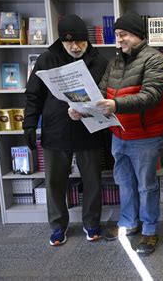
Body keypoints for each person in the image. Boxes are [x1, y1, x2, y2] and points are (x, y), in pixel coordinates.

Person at [69, 11, 163, 255]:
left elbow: (151, 96)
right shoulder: (114, 62)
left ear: (137, 34)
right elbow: (101, 93)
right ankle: (129, 223)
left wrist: (116, 105)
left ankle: (149, 230)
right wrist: (82, 110)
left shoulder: (156, 60)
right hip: (119, 134)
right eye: (116, 35)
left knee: (146, 186)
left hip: (145, 136)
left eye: (123, 34)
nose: (119, 40)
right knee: (124, 182)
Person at [23, 14, 108, 246]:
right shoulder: (46, 59)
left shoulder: (100, 61)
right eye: (69, 42)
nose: (75, 46)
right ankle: (58, 226)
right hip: (55, 130)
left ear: (87, 40)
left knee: (92, 181)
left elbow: (107, 97)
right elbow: (33, 95)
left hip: (88, 131)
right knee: (54, 182)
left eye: (80, 41)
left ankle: (91, 223)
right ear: (61, 41)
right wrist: (29, 124)